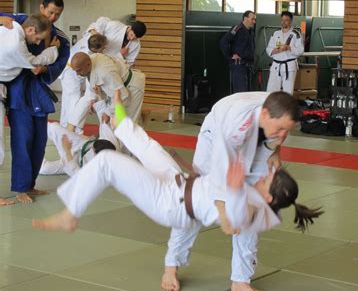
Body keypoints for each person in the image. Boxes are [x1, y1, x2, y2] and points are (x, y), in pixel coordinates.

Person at [32, 97, 321, 239]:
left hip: (170, 203)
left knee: (107, 161)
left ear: (269, 197)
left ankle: (70, 214)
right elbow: (212, 188)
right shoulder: (255, 193)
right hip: (179, 183)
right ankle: (117, 111)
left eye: (269, 179)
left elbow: (230, 226)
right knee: (145, 144)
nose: (265, 173)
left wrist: (230, 192)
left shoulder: (255, 211)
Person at [161, 90, 300, 291]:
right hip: (216, 136)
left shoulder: (279, 108)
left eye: (286, 130)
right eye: (280, 129)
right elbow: (220, 178)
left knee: (255, 207)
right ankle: (171, 265)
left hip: (258, 140)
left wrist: (275, 150)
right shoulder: (235, 127)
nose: (283, 134)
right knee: (195, 203)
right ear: (264, 115)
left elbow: (279, 129)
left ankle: (241, 279)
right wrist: (226, 215)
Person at [0, 0, 70, 204]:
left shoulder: (60, 37)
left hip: (38, 90)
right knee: (22, 140)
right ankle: (20, 187)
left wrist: (47, 68)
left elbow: (60, 61)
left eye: (57, 14)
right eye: (50, 12)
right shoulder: (19, 21)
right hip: (18, 90)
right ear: (41, 8)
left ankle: (30, 184)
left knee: (39, 141)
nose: (53, 16)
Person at [66, 52, 145, 129]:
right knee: (120, 122)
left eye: (79, 70)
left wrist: (108, 112)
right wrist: (93, 98)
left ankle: (138, 133)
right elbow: (93, 82)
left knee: (129, 123)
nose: (77, 74)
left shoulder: (105, 72)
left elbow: (122, 94)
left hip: (132, 88)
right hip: (120, 86)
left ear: (88, 65)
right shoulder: (91, 60)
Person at [59, 33, 107, 131]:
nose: (103, 51)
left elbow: (91, 30)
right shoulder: (88, 55)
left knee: (68, 101)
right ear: (95, 49)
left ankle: (65, 126)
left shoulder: (90, 38)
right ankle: (73, 129)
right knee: (74, 99)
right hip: (70, 72)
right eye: (102, 49)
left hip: (73, 69)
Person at [39, 121, 118, 177]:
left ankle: (32, 152)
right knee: (53, 128)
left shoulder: (94, 171)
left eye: (92, 150)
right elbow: (104, 121)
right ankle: (35, 128)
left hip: (73, 161)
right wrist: (100, 107)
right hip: (80, 144)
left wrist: (67, 151)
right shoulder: (112, 145)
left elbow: (76, 173)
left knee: (44, 169)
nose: (91, 149)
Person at [266, 11, 304, 95]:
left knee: (288, 91)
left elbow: (300, 50)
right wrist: (275, 50)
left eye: (286, 20)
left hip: (289, 66)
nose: (283, 22)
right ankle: (272, 107)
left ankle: (286, 107)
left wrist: (289, 48)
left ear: (290, 21)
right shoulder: (275, 33)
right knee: (271, 91)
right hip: (276, 65)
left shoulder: (296, 34)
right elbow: (268, 49)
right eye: (282, 20)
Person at [219, 10, 256, 93]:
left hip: (247, 66)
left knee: (247, 94)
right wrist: (230, 56)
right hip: (239, 66)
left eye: (254, 19)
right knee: (241, 93)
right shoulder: (237, 28)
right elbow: (223, 42)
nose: (254, 21)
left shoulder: (250, 31)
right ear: (245, 18)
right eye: (252, 19)